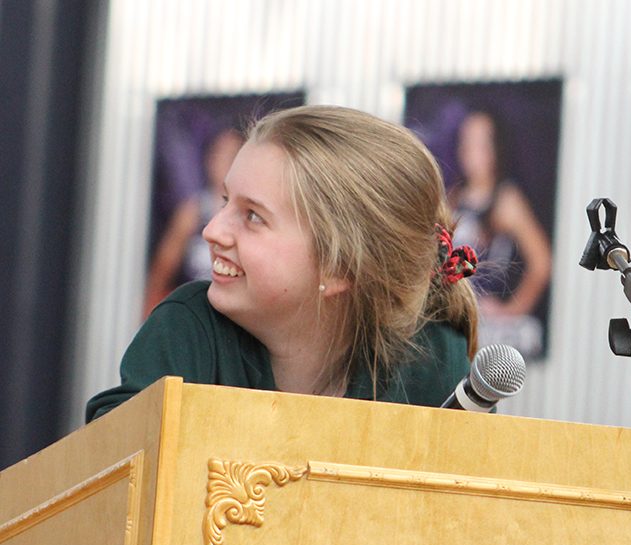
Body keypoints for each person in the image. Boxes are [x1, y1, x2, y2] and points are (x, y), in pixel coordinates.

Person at [86, 106, 480, 422]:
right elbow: (113, 481)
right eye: (226, 202)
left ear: (339, 268)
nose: (212, 230)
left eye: (253, 216)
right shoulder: (185, 330)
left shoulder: (433, 357)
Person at [448, 110, 552, 356]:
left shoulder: (506, 200)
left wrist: (512, 310)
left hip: (488, 322)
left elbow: (542, 263)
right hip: (454, 314)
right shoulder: (453, 197)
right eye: (467, 142)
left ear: (496, 147)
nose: (472, 152)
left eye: (481, 144)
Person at [143, 128, 244, 316]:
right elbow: (162, 270)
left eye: (232, 155)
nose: (222, 162)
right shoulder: (193, 211)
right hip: (195, 316)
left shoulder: (250, 216)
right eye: (217, 154)